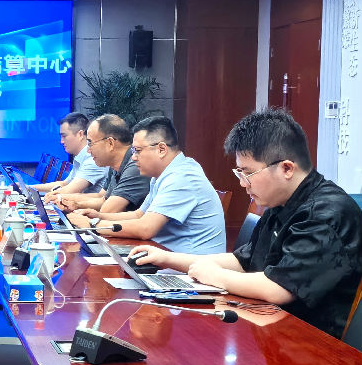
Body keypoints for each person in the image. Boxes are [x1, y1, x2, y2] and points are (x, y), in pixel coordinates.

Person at [130, 109, 362, 338]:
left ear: (287, 168)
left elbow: (279, 288)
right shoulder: (281, 202)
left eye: (247, 173)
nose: (243, 183)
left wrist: (215, 276)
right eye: (239, 172)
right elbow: (244, 260)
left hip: (314, 343)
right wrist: (166, 258)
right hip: (272, 326)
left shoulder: (326, 213)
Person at [67, 116, 226, 254]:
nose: (133, 157)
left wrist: (93, 225)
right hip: (166, 257)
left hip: (191, 271)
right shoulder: (162, 174)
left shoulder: (182, 177)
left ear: (161, 149)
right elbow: (139, 215)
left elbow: (145, 228)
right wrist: (98, 216)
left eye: (137, 150)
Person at [48, 114, 150, 214]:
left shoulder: (135, 165)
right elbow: (102, 198)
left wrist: (76, 205)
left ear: (110, 143)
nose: (88, 150)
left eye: (90, 143)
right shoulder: (114, 165)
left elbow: (107, 210)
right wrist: (69, 201)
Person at [32, 112, 109, 196]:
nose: (61, 141)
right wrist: (29, 188)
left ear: (80, 134)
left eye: (64, 136)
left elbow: (69, 190)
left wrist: (48, 194)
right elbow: (64, 184)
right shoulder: (80, 157)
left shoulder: (93, 159)